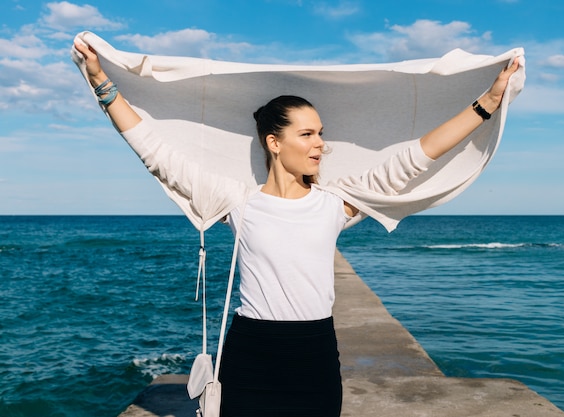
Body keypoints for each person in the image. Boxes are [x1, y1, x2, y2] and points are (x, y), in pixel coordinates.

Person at [73, 40, 520, 417]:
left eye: (320, 133)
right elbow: (156, 153)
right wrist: (101, 83)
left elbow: (415, 159)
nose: (320, 144)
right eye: (307, 134)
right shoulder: (239, 200)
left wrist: (488, 103)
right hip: (252, 353)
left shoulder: (334, 203)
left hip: (315, 355)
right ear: (274, 142)